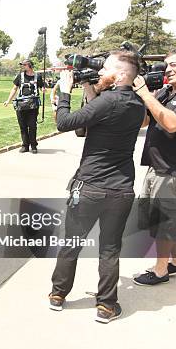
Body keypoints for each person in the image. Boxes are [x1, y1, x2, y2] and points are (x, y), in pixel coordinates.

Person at [48, 50, 145, 324]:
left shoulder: (109, 101)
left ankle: (58, 294)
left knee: (71, 243)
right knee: (110, 248)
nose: (100, 72)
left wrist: (65, 93)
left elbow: (65, 122)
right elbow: (101, 115)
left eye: (106, 69)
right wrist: (91, 87)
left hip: (89, 187)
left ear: (122, 74)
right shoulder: (137, 104)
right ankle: (107, 305)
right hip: (121, 190)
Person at [132, 48, 176, 285]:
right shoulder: (166, 91)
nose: (168, 69)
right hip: (156, 166)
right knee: (154, 219)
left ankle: (160, 270)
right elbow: (146, 121)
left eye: (174, 65)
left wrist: (146, 96)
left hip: (175, 170)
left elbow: (173, 123)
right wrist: (140, 98)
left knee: (165, 221)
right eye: (167, 65)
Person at [4, 59, 43, 153]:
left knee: (32, 125)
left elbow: (42, 87)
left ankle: (33, 145)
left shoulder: (38, 76)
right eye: (22, 65)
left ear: (29, 65)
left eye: (24, 65)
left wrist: (44, 89)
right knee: (23, 126)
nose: (22, 66)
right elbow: (14, 89)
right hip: (21, 105)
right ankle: (25, 145)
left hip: (33, 105)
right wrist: (8, 100)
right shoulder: (20, 76)